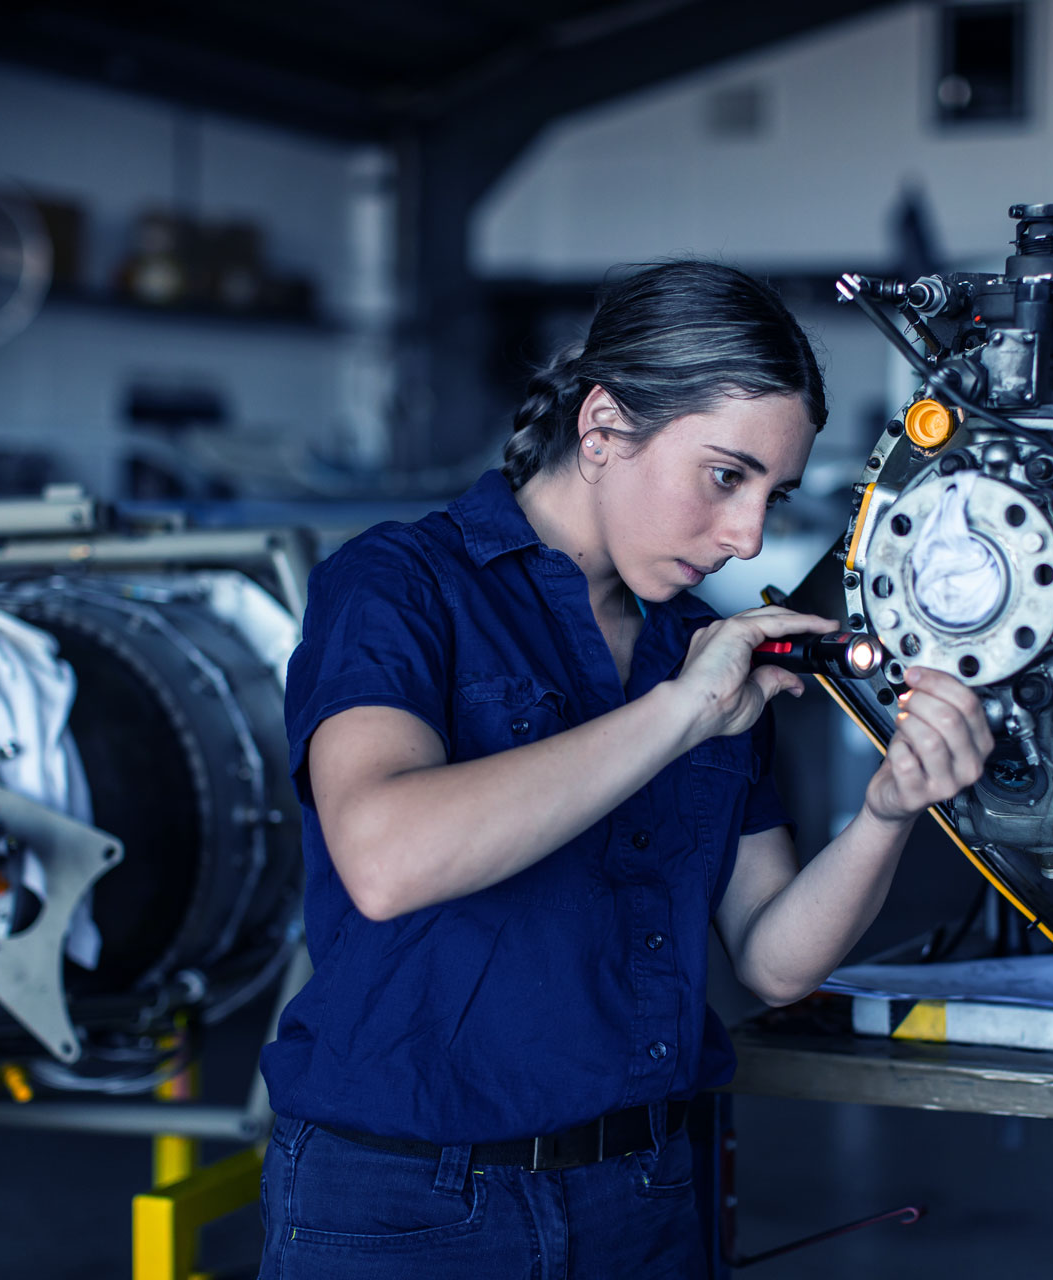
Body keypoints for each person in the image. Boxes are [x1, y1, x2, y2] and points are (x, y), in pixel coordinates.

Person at [257, 261, 993, 1279]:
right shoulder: (398, 586)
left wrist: (886, 810)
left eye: (772, 495)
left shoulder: (700, 649)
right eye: (725, 476)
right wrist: (680, 710)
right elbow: (386, 855)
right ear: (602, 427)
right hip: (409, 1204)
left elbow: (775, 957)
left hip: (644, 1198)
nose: (749, 535)